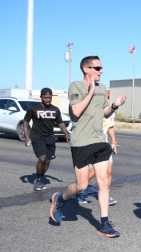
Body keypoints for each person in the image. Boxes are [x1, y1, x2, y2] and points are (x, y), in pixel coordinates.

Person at [49, 56, 126, 238]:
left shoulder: (101, 88)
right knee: (82, 185)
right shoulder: (76, 86)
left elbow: (104, 113)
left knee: (104, 183)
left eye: (101, 68)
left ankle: (104, 224)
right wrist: (90, 91)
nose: (101, 71)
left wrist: (114, 105)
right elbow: (76, 111)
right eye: (97, 68)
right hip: (82, 142)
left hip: (100, 140)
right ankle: (60, 199)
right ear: (86, 69)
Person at [23, 87, 71, 191]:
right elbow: (26, 121)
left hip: (50, 137)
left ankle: (40, 176)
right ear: (41, 97)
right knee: (42, 158)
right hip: (37, 136)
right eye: (45, 98)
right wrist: (27, 137)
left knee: (48, 161)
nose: (48, 100)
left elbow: (61, 123)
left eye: (49, 98)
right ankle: (39, 180)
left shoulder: (55, 109)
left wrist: (66, 133)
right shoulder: (33, 109)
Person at [76, 112, 118, 206]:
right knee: (92, 172)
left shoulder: (110, 111)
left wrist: (114, 142)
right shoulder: (92, 108)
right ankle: (79, 190)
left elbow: (110, 126)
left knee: (109, 172)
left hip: (104, 145)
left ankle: (106, 195)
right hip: (91, 144)